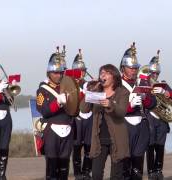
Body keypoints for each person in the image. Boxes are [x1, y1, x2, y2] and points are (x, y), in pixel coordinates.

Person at [80, 64, 130, 180]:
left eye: (106, 73)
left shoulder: (122, 92)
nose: (103, 75)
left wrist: (110, 104)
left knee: (116, 176)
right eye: (101, 73)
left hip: (117, 139)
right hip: (99, 140)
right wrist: (89, 91)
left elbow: (122, 112)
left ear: (114, 76)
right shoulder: (97, 91)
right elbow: (83, 109)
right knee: (96, 174)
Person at [120, 43, 157, 180]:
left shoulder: (142, 83)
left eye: (135, 68)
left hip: (141, 125)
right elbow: (113, 108)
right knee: (125, 165)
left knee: (138, 166)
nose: (134, 70)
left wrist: (145, 98)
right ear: (123, 68)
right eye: (131, 68)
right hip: (124, 125)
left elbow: (153, 103)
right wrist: (129, 106)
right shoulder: (117, 84)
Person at [36, 49, 73, 179]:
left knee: (64, 168)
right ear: (49, 73)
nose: (58, 75)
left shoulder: (69, 87)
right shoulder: (42, 90)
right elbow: (44, 111)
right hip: (51, 131)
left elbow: (76, 111)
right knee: (52, 169)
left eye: (61, 72)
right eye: (55, 72)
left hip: (67, 130)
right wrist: (58, 103)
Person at [145, 51, 172, 180]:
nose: (155, 75)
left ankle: (159, 170)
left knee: (160, 145)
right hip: (150, 117)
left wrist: (166, 92)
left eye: (157, 73)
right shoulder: (145, 84)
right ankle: (151, 171)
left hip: (162, 119)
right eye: (153, 73)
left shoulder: (162, 83)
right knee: (150, 145)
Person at [71, 49, 93, 180]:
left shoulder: (88, 84)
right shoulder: (69, 84)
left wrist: (96, 87)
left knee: (89, 146)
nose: (83, 73)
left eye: (84, 70)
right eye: (80, 70)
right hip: (77, 117)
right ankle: (78, 173)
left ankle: (87, 171)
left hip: (89, 117)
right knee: (77, 147)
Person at [0, 59, 17, 180]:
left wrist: (11, 90)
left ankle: (2, 175)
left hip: (6, 119)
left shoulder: (2, 82)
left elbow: (11, 102)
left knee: (4, 148)